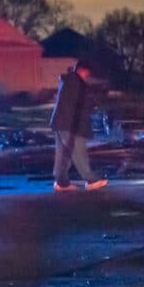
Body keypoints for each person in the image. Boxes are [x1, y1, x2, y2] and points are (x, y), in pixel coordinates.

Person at [50, 60, 107, 192]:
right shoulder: (78, 84)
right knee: (79, 152)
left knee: (63, 153)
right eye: (88, 73)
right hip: (72, 124)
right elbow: (80, 106)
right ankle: (91, 180)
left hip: (60, 122)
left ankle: (61, 182)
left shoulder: (66, 82)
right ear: (85, 70)